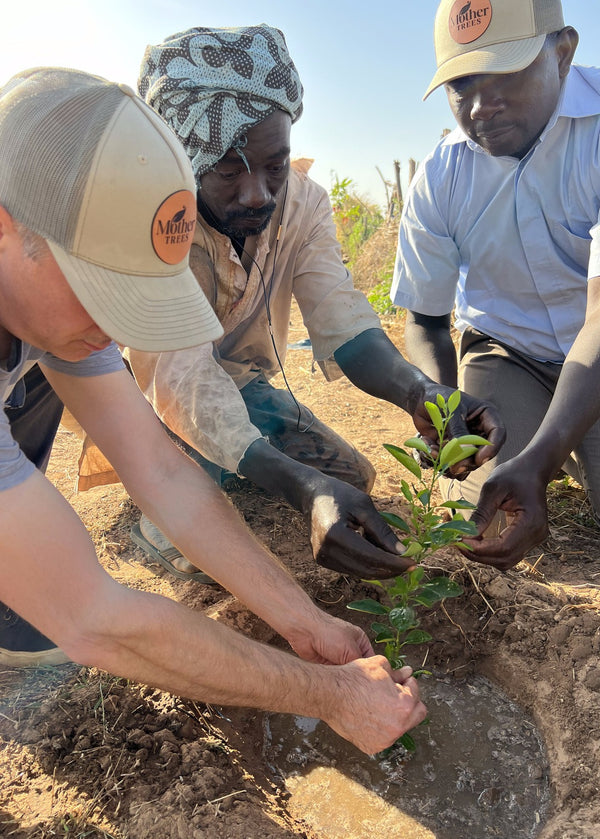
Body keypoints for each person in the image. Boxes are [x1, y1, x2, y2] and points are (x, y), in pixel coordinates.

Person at [0, 66, 427, 755]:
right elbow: (94, 617)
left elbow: (162, 470)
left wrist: (304, 621)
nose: (117, 329)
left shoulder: (54, 308)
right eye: (105, 290)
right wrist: (331, 693)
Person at [123, 24, 504, 582]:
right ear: (183, 157)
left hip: (240, 384)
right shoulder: (153, 218)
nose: (258, 194)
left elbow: (340, 316)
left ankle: (232, 470)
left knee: (349, 478)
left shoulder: (303, 205)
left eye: (275, 166)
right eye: (227, 171)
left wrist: (419, 391)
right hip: (146, 395)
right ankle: (159, 499)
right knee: (201, 542)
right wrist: (302, 488)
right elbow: (180, 379)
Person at [391, 0, 600, 565]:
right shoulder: (443, 173)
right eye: (461, 86)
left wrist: (543, 456)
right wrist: (444, 406)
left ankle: (565, 445)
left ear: (563, 53)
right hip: (513, 355)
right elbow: (426, 321)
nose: (482, 106)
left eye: (506, 74)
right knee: (475, 519)